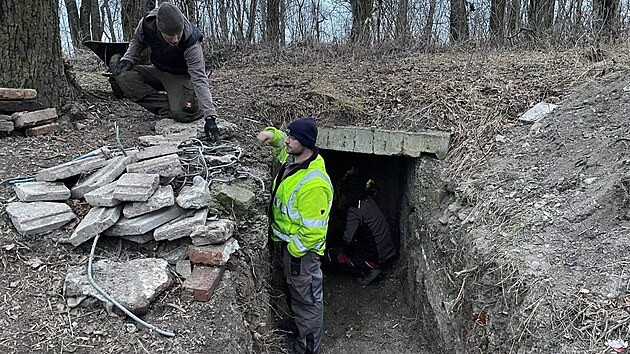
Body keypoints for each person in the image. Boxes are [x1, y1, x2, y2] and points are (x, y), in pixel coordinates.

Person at [257, 117, 333, 354]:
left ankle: (306, 347)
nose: (287, 140)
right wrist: (272, 135)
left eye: (292, 137)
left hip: (301, 253)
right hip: (289, 245)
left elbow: (313, 231)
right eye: (288, 135)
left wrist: (294, 251)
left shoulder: (314, 184)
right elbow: (281, 146)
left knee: (307, 300)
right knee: (297, 294)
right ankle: (300, 327)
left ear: (306, 143)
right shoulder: (294, 160)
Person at [110, 2, 220, 142]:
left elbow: (199, 78)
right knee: (123, 75)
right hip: (157, 70)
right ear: (159, 30)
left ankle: (185, 106)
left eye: (178, 34)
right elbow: (137, 41)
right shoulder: (147, 24)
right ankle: (171, 106)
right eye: (170, 35)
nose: (175, 40)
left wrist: (210, 116)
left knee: (183, 114)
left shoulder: (191, 41)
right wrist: (128, 58)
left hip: (180, 76)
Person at [323, 171, 395, 286]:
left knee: (329, 255)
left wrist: (346, 252)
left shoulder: (355, 211)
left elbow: (348, 240)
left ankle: (366, 270)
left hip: (376, 258)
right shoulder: (369, 201)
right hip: (387, 252)